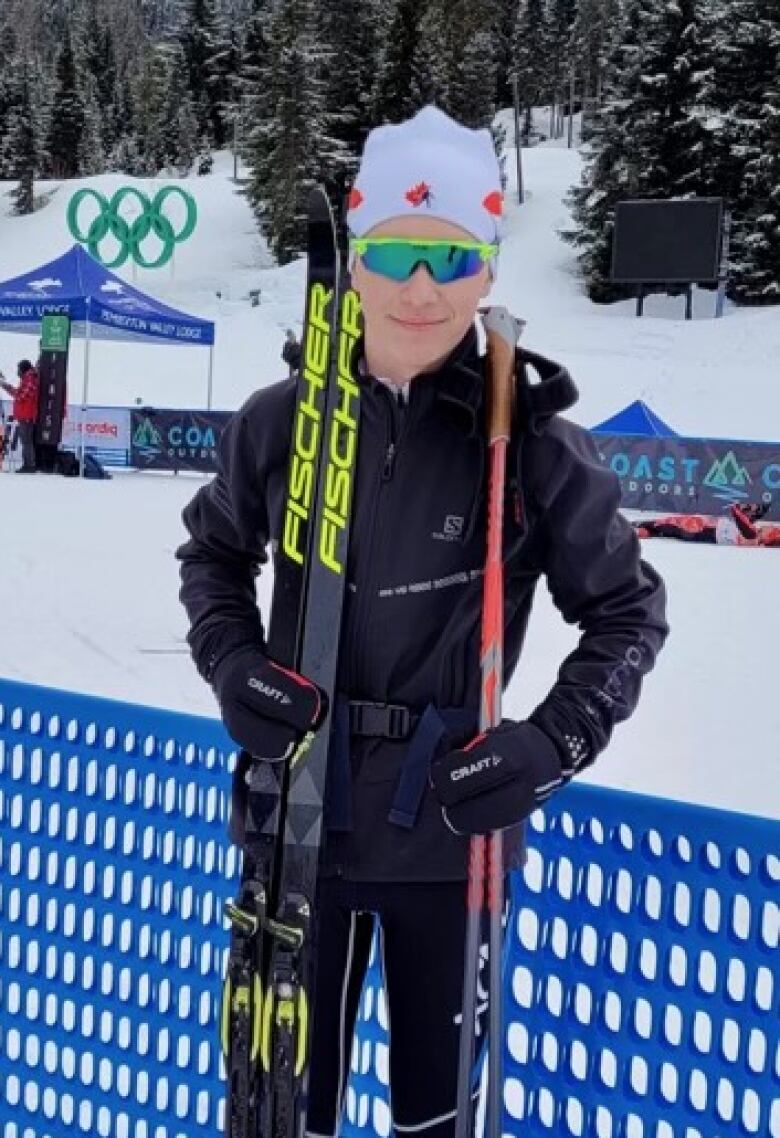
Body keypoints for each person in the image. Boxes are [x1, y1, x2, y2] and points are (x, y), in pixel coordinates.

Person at [177, 105, 668, 1138]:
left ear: (487, 271)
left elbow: (628, 613)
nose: (419, 288)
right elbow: (213, 556)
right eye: (396, 253)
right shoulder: (280, 421)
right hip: (294, 832)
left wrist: (552, 741)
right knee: (281, 1118)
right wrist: (231, 665)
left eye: (450, 258)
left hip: (451, 842)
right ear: (354, 261)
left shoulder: (531, 442)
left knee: (434, 1123)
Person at [635, 501, 780, 546]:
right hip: (703, 528)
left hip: (700, 529)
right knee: (662, 528)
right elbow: (747, 520)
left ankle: (632, 529)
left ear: (768, 536)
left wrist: (743, 507)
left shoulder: (752, 534)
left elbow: (737, 513)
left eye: (772, 529)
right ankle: (637, 530)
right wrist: (760, 509)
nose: (771, 526)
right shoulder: (752, 533)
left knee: (663, 525)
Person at [0, 359, 39, 472]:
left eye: (18, 369)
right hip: (25, 415)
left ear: (23, 369)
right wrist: (8, 387)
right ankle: (28, 464)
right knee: (26, 441)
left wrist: (8, 388)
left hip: (27, 415)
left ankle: (29, 465)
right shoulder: (27, 379)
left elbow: (21, 396)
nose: (17, 372)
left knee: (27, 442)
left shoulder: (30, 380)